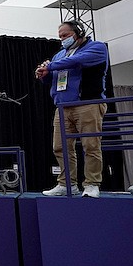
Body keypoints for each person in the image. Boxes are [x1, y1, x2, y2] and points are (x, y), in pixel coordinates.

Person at [35, 20, 109, 198]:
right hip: (62, 106)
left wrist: (50, 66)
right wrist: (43, 74)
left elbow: (77, 61)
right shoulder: (59, 54)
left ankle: (92, 184)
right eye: (60, 36)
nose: (62, 39)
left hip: (88, 104)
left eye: (65, 35)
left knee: (90, 146)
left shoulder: (97, 47)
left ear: (79, 32)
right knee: (59, 148)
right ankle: (67, 183)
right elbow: (53, 76)